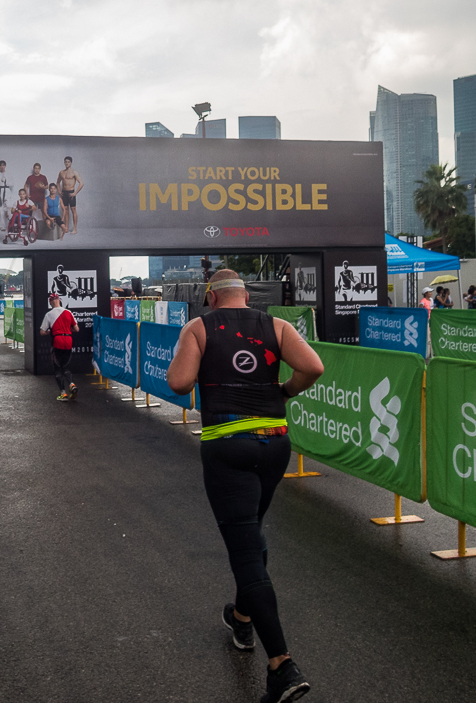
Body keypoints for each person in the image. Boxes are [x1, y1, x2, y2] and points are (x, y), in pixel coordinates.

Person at [166, 270, 323, 703]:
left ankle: (281, 665)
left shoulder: (198, 327)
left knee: (246, 552)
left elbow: (178, 383)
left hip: (227, 446)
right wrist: (284, 391)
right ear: (247, 296)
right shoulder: (276, 325)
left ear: (210, 297)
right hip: (274, 443)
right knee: (251, 533)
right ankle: (240, 616)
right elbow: (313, 367)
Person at [39, 292, 79, 401]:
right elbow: (76, 329)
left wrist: (50, 332)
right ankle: (71, 384)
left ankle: (63, 393)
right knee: (66, 366)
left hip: (57, 340)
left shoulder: (49, 314)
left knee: (57, 367)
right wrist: (66, 330)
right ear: (59, 300)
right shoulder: (68, 312)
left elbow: (42, 332)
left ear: (50, 302)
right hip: (68, 340)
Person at [56, 156, 84, 234]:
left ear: (71, 163)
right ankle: (67, 228)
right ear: (64, 163)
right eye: (65, 162)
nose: (67, 163)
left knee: (73, 210)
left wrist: (75, 193)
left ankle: (75, 228)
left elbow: (81, 183)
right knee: (66, 211)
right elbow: (58, 182)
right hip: (64, 193)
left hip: (71, 193)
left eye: (68, 162)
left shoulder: (74, 172)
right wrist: (59, 191)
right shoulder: (61, 172)